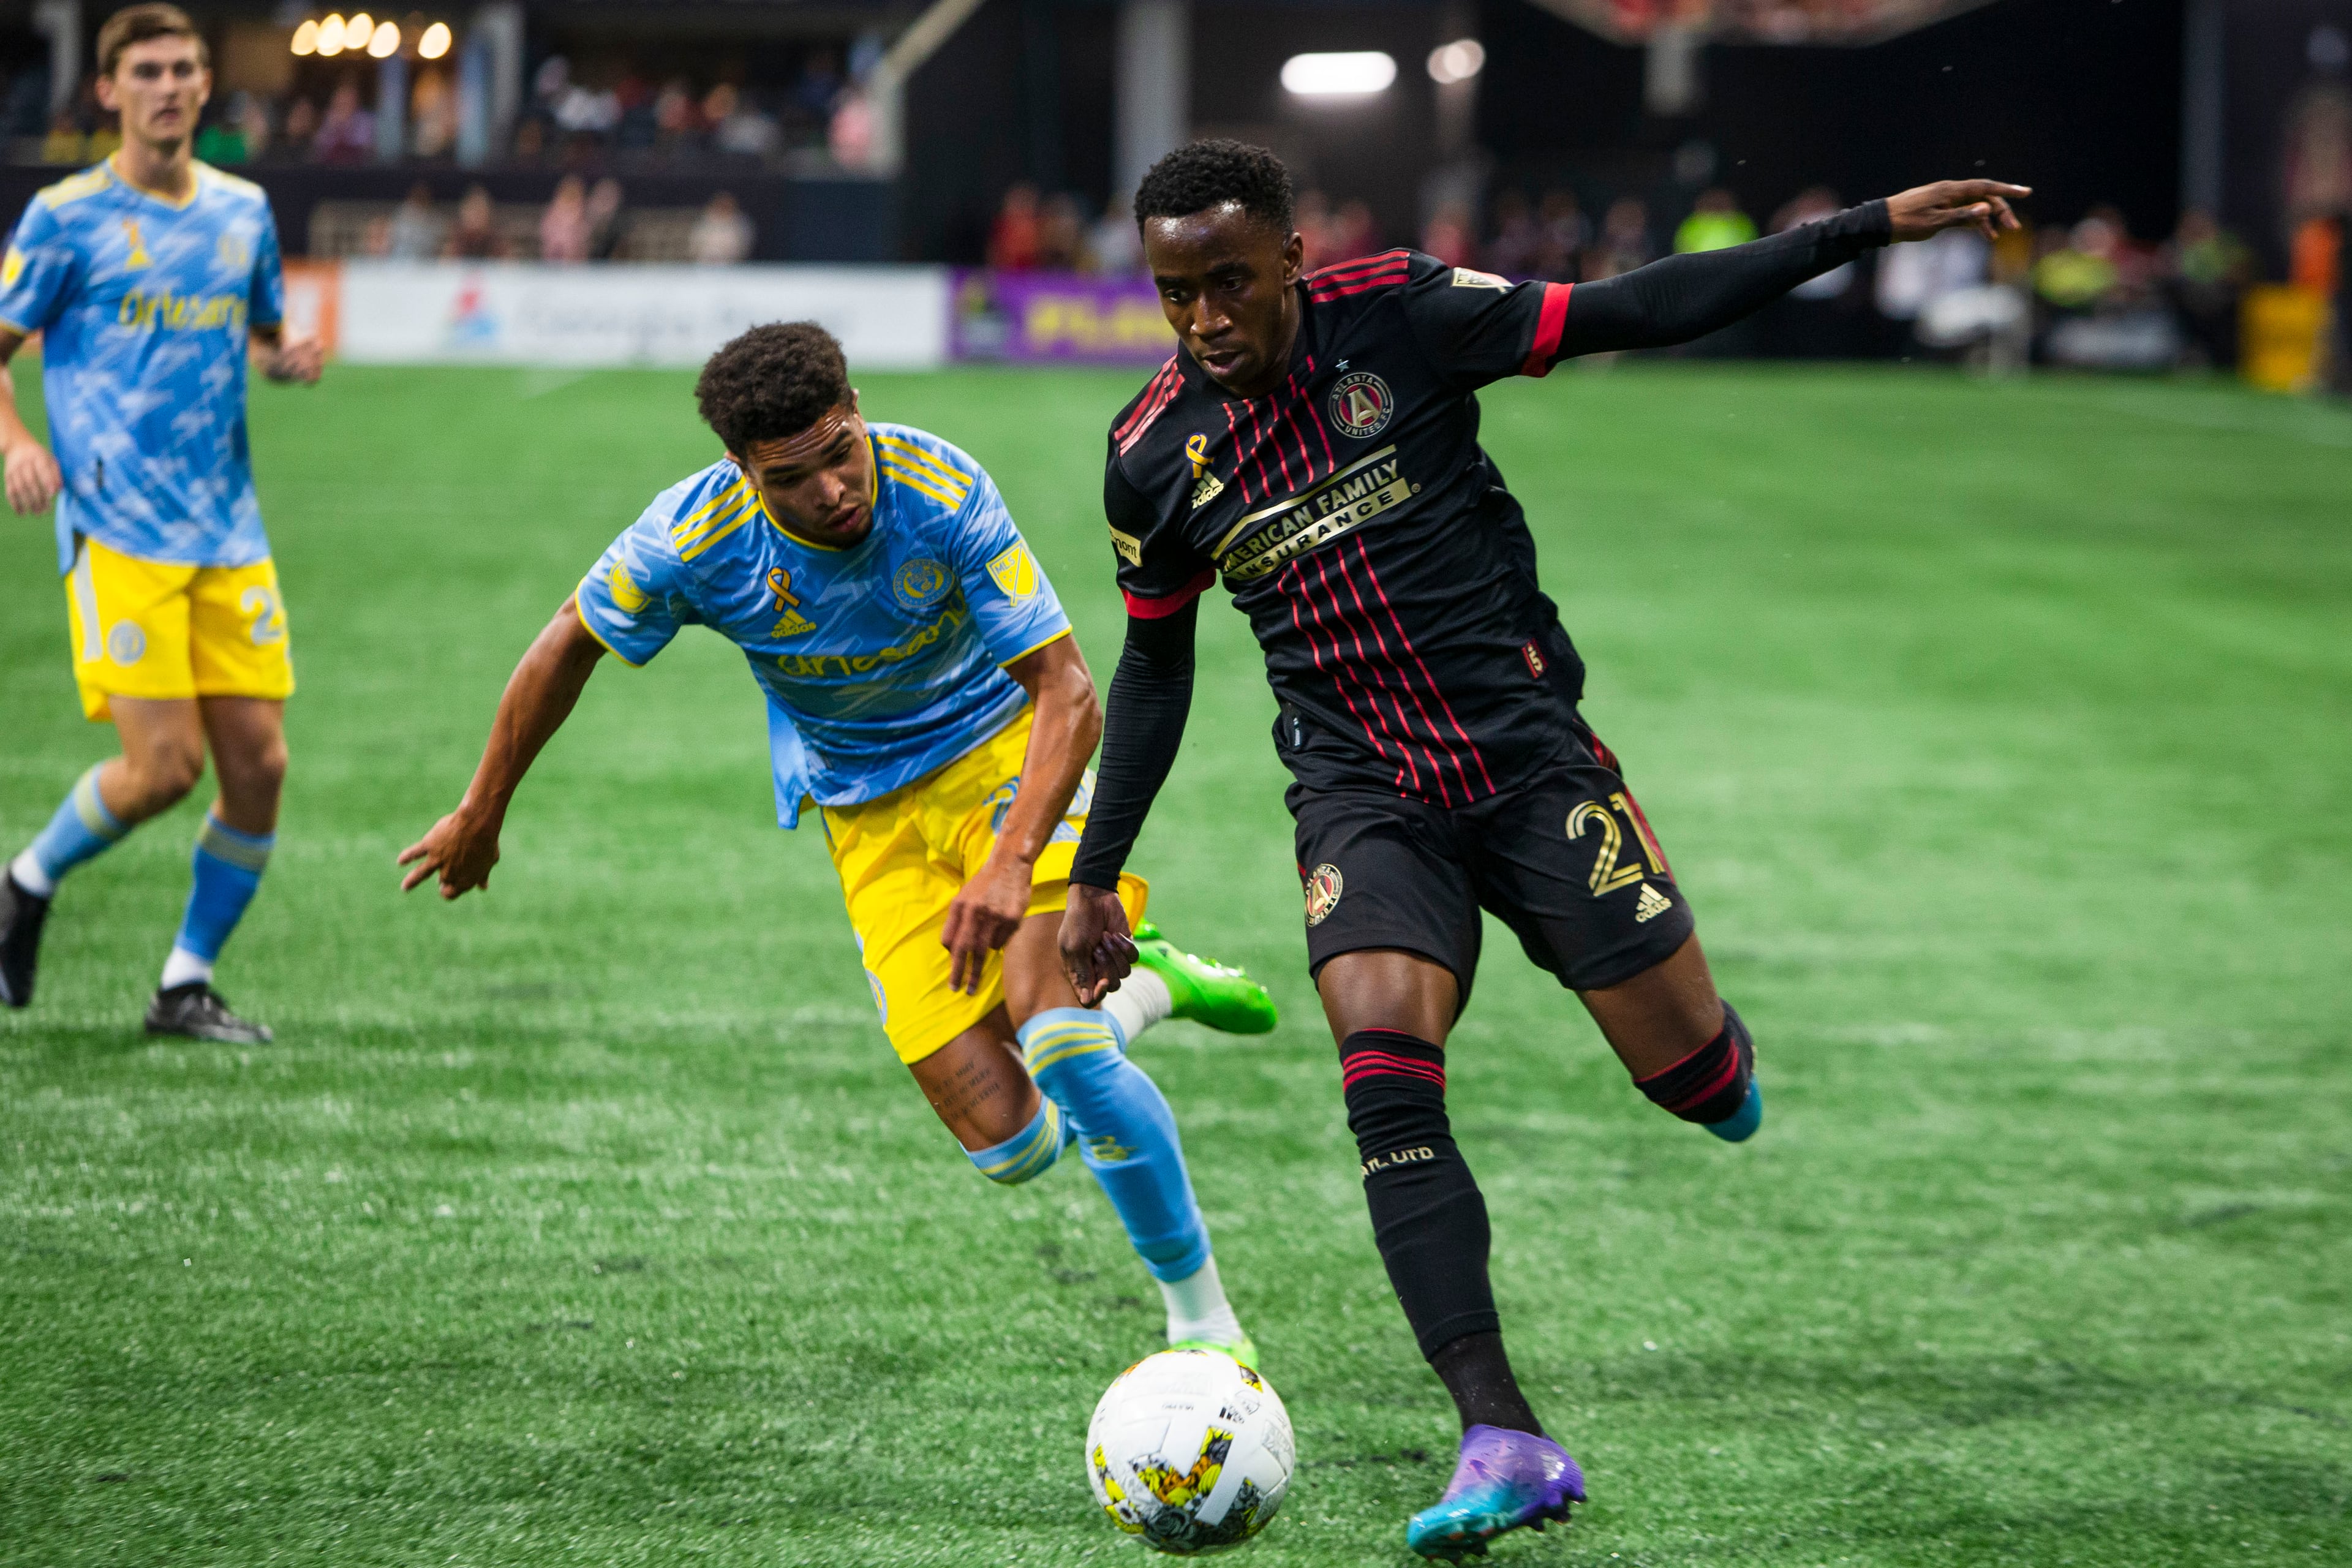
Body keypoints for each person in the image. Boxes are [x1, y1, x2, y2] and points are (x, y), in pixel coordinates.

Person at [1057, 139, 2027, 1561]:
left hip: (1526, 762)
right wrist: (1094, 868)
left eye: (1226, 282)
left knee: (1698, 1083)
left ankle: (1701, 1044)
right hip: (1361, 792)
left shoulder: (1404, 315)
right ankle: (1501, 1431)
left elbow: (1635, 307)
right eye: (1172, 292)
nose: (1202, 316)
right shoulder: (1151, 457)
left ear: (1288, 262)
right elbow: (1153, 670)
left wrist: (1864, 226)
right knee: (1384, 1073)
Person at [398, 321, 1278, 1367]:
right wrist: (483, 807)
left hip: (1006, 767)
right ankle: (1151, 984)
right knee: (1013, 1146)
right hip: (867, 816)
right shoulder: (692, 538)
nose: (832, 489)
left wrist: (1010, 860)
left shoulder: (941, 488)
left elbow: (1070, 692)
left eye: (840, 450)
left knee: (1061, 1045)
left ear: (856, 409)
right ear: (743, 471)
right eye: (793, 477)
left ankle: (1206, 1328)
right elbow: (564, 647)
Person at [0, 4, 323, 1036]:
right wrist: (16, 443)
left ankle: (184, 981)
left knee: (261, 769)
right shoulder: (66, 218)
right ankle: (25, 882)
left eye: (186, 68)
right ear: (110, 91)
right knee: (161, 771)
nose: (172, 86)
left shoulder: (243, 212)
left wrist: (286, 359)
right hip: (117, 527)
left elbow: (264, 334)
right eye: (149, 71)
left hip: (229, 527)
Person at [687, 191, 752, 265]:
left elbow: (743, 249)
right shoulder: (704, 223)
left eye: (727, 206)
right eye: (721, 205)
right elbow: (694, 246)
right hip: (704, 265)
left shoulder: (740, 225)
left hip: (731, 265)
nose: (723, 208)